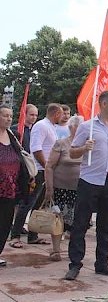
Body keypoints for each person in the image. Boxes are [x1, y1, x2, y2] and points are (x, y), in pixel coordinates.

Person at [64, 90, 108, 281]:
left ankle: (102, 263)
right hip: (89, 180)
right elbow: (72, 152)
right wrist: (84, 148)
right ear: (103, 104)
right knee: (80, 224)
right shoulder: (87, 127)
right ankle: (75, 264)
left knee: (107, 225)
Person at [10, 103, 62, 248]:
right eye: (61, 114)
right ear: (56, 113)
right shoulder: (41, 126)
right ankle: (15, 236)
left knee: (38, 205)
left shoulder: (52, 127)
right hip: (38, 171)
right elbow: (36, 148)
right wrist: (46, 167)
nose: (63, 117)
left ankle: (33, 235)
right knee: (27, 203)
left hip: (48, 171)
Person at [44, 115, 84, 261]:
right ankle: (56, 250)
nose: (80, 130)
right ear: (71, 127)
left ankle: (75, 251)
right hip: (61, 188)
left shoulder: (87, 145)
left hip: (81, 189)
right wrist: (49, 188)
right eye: (77, 127)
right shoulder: (61, 144)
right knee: (58, 220)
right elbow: (49, 166)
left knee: (78, 221)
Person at [0, 104, 31, 267]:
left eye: (10, 115)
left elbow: (20, 154)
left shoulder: (12, 135)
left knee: (5, 222)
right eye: (5, 115)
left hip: (11, 187)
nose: (9, 118)